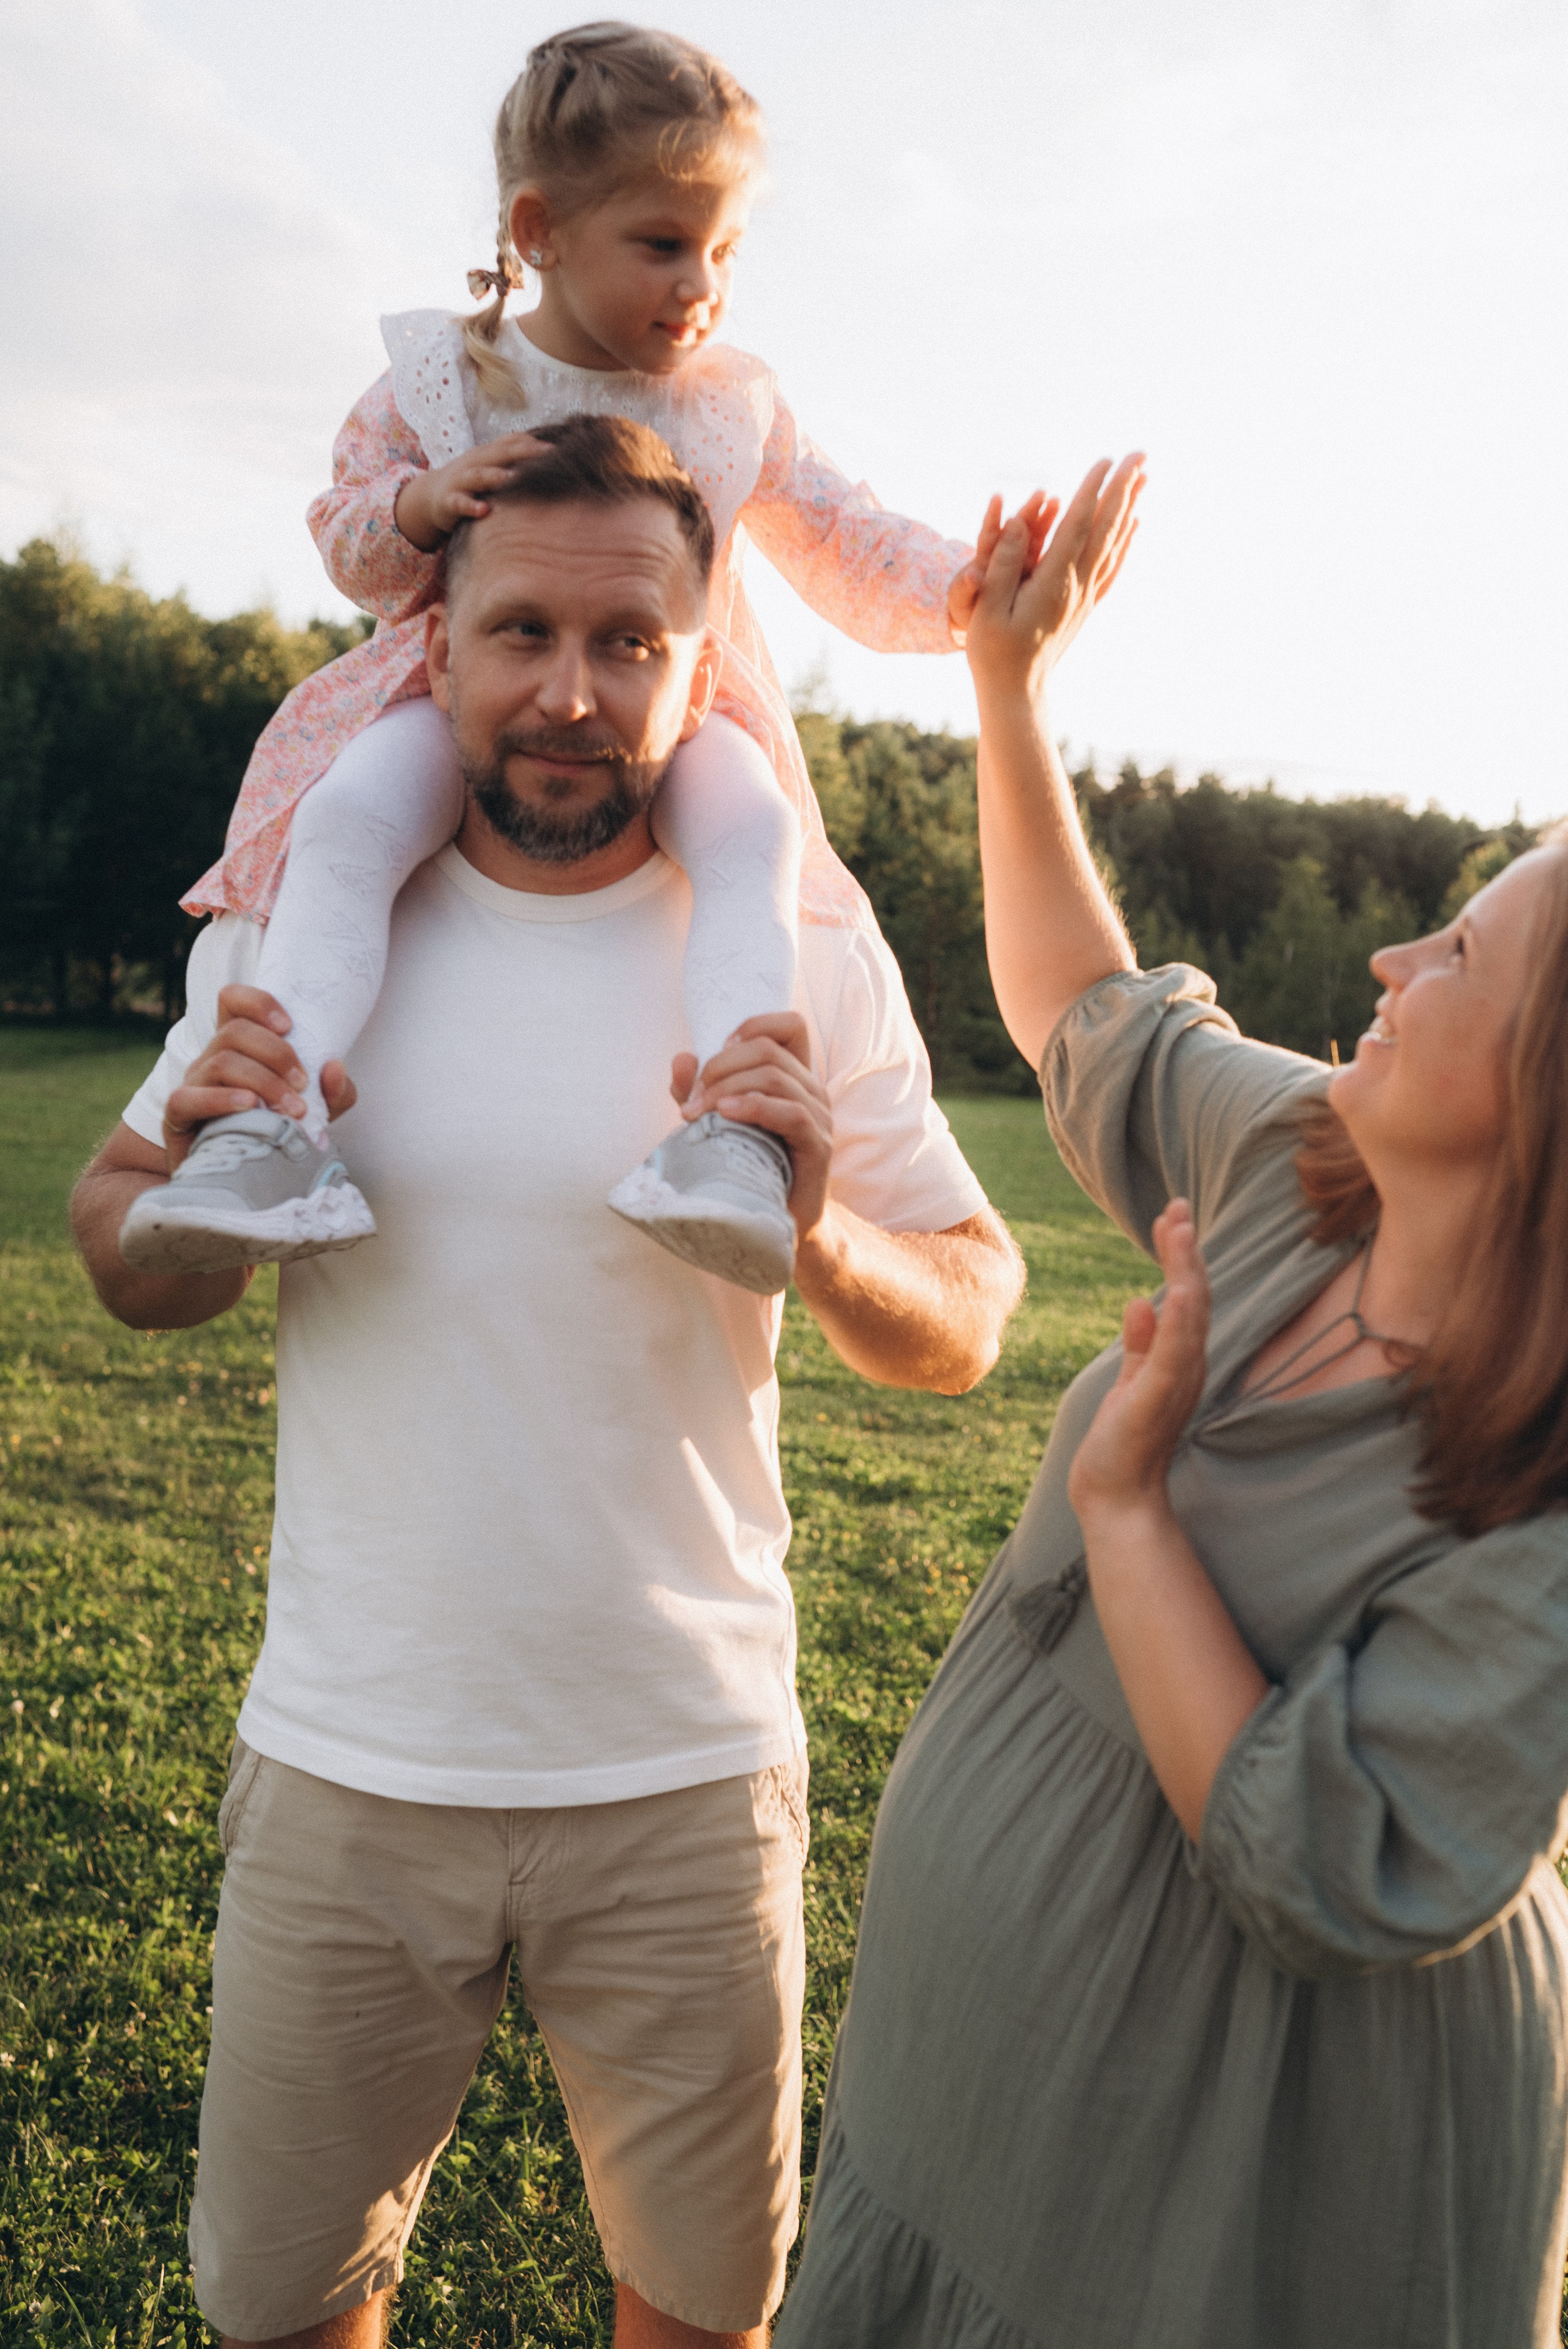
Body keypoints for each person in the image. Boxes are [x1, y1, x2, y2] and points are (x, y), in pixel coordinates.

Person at [72, 413, 1022, 2349]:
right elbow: (121, 1240)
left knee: (699, 2313)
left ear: (703, 657)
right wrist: (179, 1190)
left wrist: (823, 1233)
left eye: (628, 643)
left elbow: (976, 1310)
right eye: (521, 635)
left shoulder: (798, 957)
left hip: (684, 1771)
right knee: (281, 2314)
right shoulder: (308, 933)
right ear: (437, 645)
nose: (571, 695)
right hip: (353, 1754)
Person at [775, 459, 1568, 2349]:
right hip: (984, 2099)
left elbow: (1330, 1858)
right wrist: (1008, 687)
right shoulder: (1303, 1159)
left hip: (1246, 2162)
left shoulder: (1543, 1505)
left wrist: (1127, 1514)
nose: (1392, 958)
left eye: (1459, 953)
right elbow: (1085, 1001)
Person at [121, 18, 995, 1297]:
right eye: (662, 243)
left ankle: (740, 1138)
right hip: (448, 693)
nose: (700, 282)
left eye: (724, 250)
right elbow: (348, 536)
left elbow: (839, 533)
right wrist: (421, 508)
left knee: (755, 832)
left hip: (683, 715)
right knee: (352, 816)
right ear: (537, 232)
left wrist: (976, 590)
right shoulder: (449, 381)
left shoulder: (725, 402)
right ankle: (272, 1118)